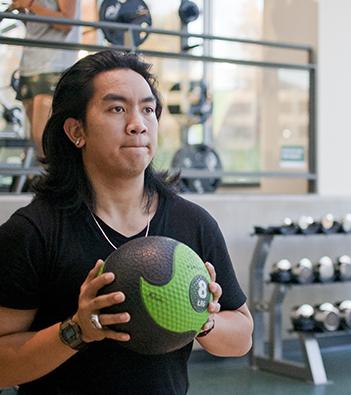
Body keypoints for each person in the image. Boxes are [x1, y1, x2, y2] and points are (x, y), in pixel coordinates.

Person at [0, 50, 253, 394]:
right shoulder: (32, 232)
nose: (138, 123)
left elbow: (241, 337)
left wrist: (201, 320)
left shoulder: (193, 223)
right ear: (76, 131)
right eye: (117, 109)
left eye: (148, 109)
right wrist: (77, 330)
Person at [11, 0, 80, 158]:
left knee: (42, 137)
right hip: (30, 63)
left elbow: (67, 22)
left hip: (53, 63)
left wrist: (30, 4)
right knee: (34, 141)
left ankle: (55, 180)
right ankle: (40, 178)